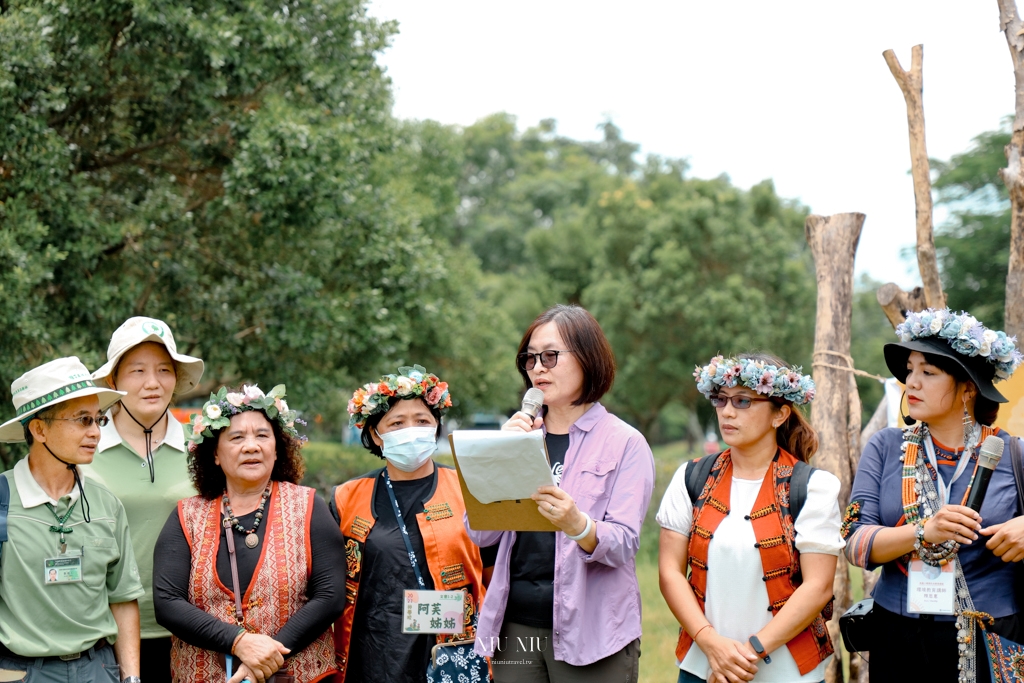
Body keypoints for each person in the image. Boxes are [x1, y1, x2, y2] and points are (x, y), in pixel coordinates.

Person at [467, 304, 654, 683]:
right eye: (529, 359)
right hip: (516, 626)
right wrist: (498, 461)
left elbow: (623, 543)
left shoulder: (625, 443)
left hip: (593, 631)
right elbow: (481, 533)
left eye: (550, 356)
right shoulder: (519, 438)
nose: (537, 368)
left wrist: (579, 525)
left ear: (588, 358)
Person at [843, 308, 1024, 681]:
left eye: (928, 372)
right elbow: (855, 542)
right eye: (909, 370)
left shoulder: (1014, 454)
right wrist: (924, 531)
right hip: (898, 634)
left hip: (991, 633)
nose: (911, 382)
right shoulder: (885, 446)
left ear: (968, 387)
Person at [658, 353, 842, 683]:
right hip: (702, 667)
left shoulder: (812, 487)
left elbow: (818, 587)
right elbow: (670, 572)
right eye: (721, 399)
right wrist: (712, 646)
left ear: (780, 414)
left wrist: (744, 657)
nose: (727, 412)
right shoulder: (691, 478)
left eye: (743, 401)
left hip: (786, 673)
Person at [153, 384, 344, 683]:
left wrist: (266, 657)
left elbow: (330, 596)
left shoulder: (309, 507)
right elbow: (167, 602)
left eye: (262, 436)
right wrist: (239, 641)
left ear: (277, 448)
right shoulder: (186, 516)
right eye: (237, 437)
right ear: (215, 454)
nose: (251, 446)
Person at [332, 365, 494, 683]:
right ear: (376, 434)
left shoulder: (468, 489)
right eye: (397, 422)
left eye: (422, 420)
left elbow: (494, 574)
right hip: (371, 652)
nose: (412, 430)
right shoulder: (347, 497)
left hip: (450, 653)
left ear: (436, 426)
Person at [0, 357, 144, 681]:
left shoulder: (107, 504)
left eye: (98, 420)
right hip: (21, 671)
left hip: (98, 668)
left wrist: (131, 678)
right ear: (39, 429)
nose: (96, 432)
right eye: (82, 420)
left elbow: (122, 599)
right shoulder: (2, 501)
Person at [82, 316, 205, 682]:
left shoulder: (202, 448)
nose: (153, 383)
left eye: (164, 370)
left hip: (192, 633)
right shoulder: (83, 450)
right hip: (102, 636)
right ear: (113, 381)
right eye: (137, 370)